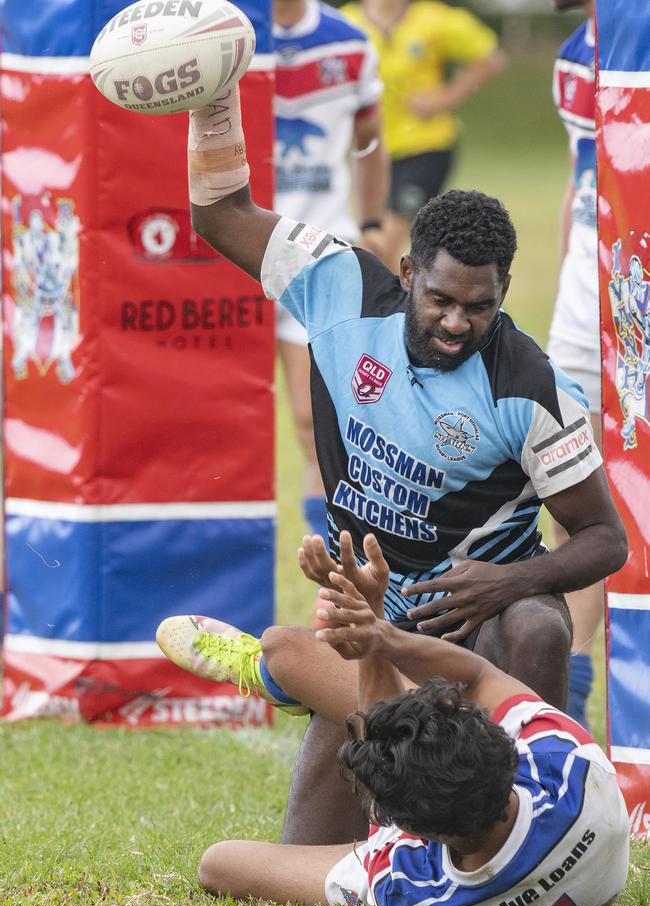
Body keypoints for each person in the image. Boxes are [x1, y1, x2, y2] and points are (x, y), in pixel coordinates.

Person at [185, 79, 627, 844]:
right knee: (309, 854)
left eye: (479, 307)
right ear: (406, 270)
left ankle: (542, 829)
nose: (458, 323)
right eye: (441, 299)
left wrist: (510, 579)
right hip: (372, 620)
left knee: (538, 627)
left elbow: (605, 539)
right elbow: (221, 213)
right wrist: (212, 100)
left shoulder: (528, 386)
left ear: (503, 294)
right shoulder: (340, 285)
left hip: (482, 628)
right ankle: (299, 676)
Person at [156, 532, 629, 906]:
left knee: (286, 649)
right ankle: (289, 673)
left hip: (464, 833)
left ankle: (272, 673)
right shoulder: (571, 771)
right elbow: (482, 673)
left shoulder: (409, 883)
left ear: (405, 830)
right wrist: (376, 634)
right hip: (531, 837)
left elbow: (218, 865)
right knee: (316, 674)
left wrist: (375, 625)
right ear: (504, 750)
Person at [273, 0, 389, 544]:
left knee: (313, 420)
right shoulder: (219, 32)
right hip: (228, 254)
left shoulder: (349, 42)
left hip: (314, 257)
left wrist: (370, 223)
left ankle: (330, 577)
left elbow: (370, 141)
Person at [341, 0, 506, 271]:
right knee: (374, 238)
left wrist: (444, 98)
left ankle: (391, 308)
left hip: (426, 147)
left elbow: (490, 58)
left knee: (389, 236)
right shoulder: (346, 23)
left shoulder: (435, 19)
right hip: (373, 152)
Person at [546, 0, 600, 731]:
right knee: (577, 511)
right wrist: (567, 287)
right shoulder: (570, 54)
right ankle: (574, 717)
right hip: (585, 309)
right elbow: (578, 179)